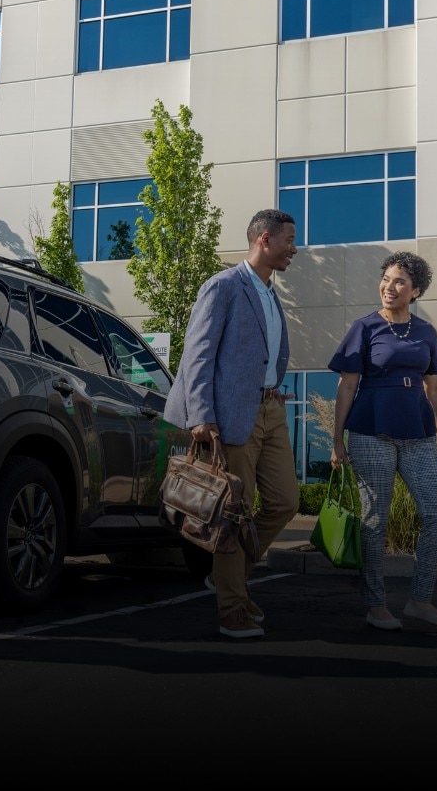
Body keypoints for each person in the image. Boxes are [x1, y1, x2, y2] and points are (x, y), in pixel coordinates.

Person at [164, 208, 301, 638]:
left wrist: (271, 386)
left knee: (284, 502)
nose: (293, 248)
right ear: (264, 239)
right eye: (288, 240)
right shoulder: (223, 287)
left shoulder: (269, 292)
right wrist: (201, 415)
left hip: (270, 409)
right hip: (229, 417)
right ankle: (232, 607)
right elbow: (198, 355)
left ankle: (231, 577)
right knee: (233, 513)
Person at [328, 250, 437, 631]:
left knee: (436, 514)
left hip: (418, 434)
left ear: (415, 290)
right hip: (371, 431)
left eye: (399, 281)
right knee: (375, 521)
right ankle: (375, 604)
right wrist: (337, 440)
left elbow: (433, 387)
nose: (389, 286)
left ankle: (420, 600)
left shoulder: (426, 333)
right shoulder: (364, 327)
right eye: (386, 279)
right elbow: (346, 384)